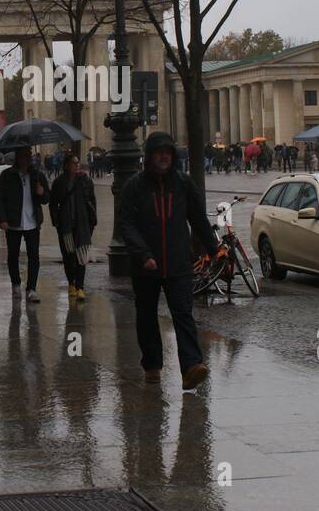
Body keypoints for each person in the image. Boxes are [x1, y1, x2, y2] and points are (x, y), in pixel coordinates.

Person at [120, 131, 217, 391]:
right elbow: (127, 225)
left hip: (178, 262)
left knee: (183, 313)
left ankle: (191, 366)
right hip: (146, 266)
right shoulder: (134, 186)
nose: (164, 156)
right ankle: (152, 366)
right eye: (159, 152)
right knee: (147, 316)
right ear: (149, 156)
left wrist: (214, 249)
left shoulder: (183, 184)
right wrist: (143, 255)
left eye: (168, 152)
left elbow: (198, 219)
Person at [0, 146, 49, 303]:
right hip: (13, 222)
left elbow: (46, 198)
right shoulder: (7, 175)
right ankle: (16, 284)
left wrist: (41, 193)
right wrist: (1, 219)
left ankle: (31, 288)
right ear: (17, 158)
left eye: (29, 155)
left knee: (34, 256)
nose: (28, 158)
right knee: (13, 255)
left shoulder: (37, 175)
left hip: (32, 222)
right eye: (25, 155)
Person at [50, 152, 97, 301]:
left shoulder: (85, 181)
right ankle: (71, 282)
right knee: (68, 257)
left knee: (82, 256)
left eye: (78, 162)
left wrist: (92, 220)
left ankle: (80, 287)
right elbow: (52, 204)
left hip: (82, 224)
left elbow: (92, 201)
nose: (77, 165)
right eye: (74, 163)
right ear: (66, 166)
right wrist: (56, 222)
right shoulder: (59, 182)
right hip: (65, 226)